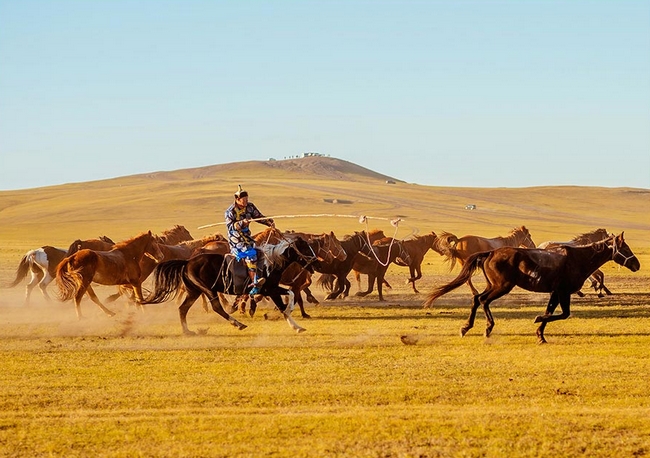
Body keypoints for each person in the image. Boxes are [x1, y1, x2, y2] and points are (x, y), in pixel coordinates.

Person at [224, 185, 275, 295]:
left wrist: (268, 222)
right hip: (236, 239)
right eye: (244, 200)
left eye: (247, 199)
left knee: (260, 253)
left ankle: (260, 275)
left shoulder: (250, 207)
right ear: (237, 200)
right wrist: (242, 223)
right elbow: (230, 227)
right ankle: (254, 283)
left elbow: (258, 217)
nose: (246, 201)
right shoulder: (230, 211)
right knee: (250, 254)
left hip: (247, 237)